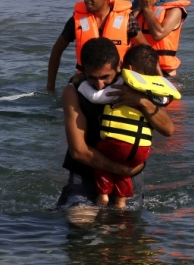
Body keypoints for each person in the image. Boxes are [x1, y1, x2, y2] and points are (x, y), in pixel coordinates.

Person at [56, 38, 174, 212]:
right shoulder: (73, 91)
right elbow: (79, 151)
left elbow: (168, 129)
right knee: (80, 220)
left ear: (119, 66)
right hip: (88, 174)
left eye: (105, 77)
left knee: (124, 226)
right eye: (92, 78)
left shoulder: (134, 86)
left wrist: (142, 102)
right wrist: (122, 169)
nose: (99, 85)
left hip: (130, 177)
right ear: (83, 71)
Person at [46, 0, 148, 92]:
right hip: (87, 78)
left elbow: (145, 50)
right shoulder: (76, 21)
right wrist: (50, 87)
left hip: (116, 78)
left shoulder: (126, 19)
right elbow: (56, 51)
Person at [133, 0, 191, 76]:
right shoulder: (136, 7)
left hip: (164, 71)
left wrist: (146, 8)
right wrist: (140, 7)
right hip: (138, 67)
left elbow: (158, 34)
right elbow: (124, 30)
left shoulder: (174, 10)